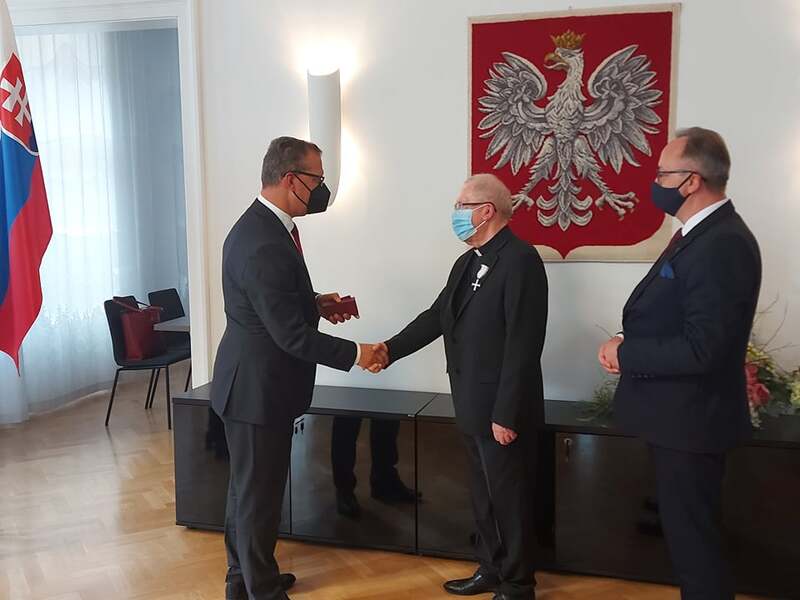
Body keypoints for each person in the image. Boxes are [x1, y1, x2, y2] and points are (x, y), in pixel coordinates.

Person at [210, 136, 387, 600]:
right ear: (292, 180)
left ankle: (243, 580)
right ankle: (261, 589)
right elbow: (287, 335)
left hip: (255, 386)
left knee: (247, 492)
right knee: (258, 498)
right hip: (256, 389)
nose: (324, 188)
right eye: (320, 179)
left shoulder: (266, 228)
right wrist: (356, 353)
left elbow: (272, 306)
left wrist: (316, 304)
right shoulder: (263, 240)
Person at [598, 127, 761, 599]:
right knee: (688, 542)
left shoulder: (722, 242)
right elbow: (679, 317)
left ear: (690, 181)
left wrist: (625, 353)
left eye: (662, 173)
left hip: (692, 424)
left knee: (697, 550)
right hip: (677, 420)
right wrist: (629, 337)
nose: (655, 181)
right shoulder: (698, 234)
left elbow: (703, 349)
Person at [375, 174, 548, 600]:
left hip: (502, 410)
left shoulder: (522, 260)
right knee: (484, 495)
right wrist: (388, 349)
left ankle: (518, 584)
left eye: (461, 205)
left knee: (509, 498)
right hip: (470, 402)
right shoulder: (467, 261)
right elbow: (437, 316)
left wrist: (506, 413)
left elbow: (524, 345)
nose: (455, 213)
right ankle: (490, 567)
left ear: (486, 211)